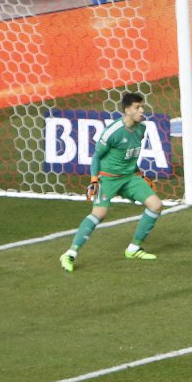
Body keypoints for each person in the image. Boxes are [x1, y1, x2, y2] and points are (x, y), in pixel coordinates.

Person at [59, 92, 165, 272]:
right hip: (107, 178)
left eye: (142, 106)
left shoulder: (141, 129)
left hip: (130, 177)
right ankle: (70, 253)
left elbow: (130, 155)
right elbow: (96, 157)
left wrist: (139, 174)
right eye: (137, 107)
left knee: (156, 205)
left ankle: (133, 248)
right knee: (99, 213)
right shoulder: (112, 132)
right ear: (127, 110)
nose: (142, 110)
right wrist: (94, 180)